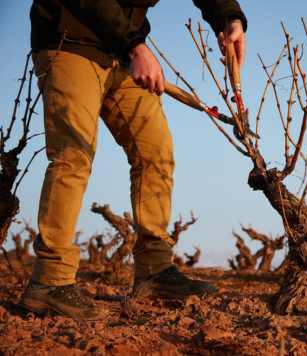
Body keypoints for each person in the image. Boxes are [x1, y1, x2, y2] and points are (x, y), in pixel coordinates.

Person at [20, 0, 247, 320]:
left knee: (155, 153)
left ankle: (154, 272)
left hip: (120, 54)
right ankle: (49, 283)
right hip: (70, 42)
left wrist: (229, 17)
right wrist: (135, 45)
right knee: (74, 156)